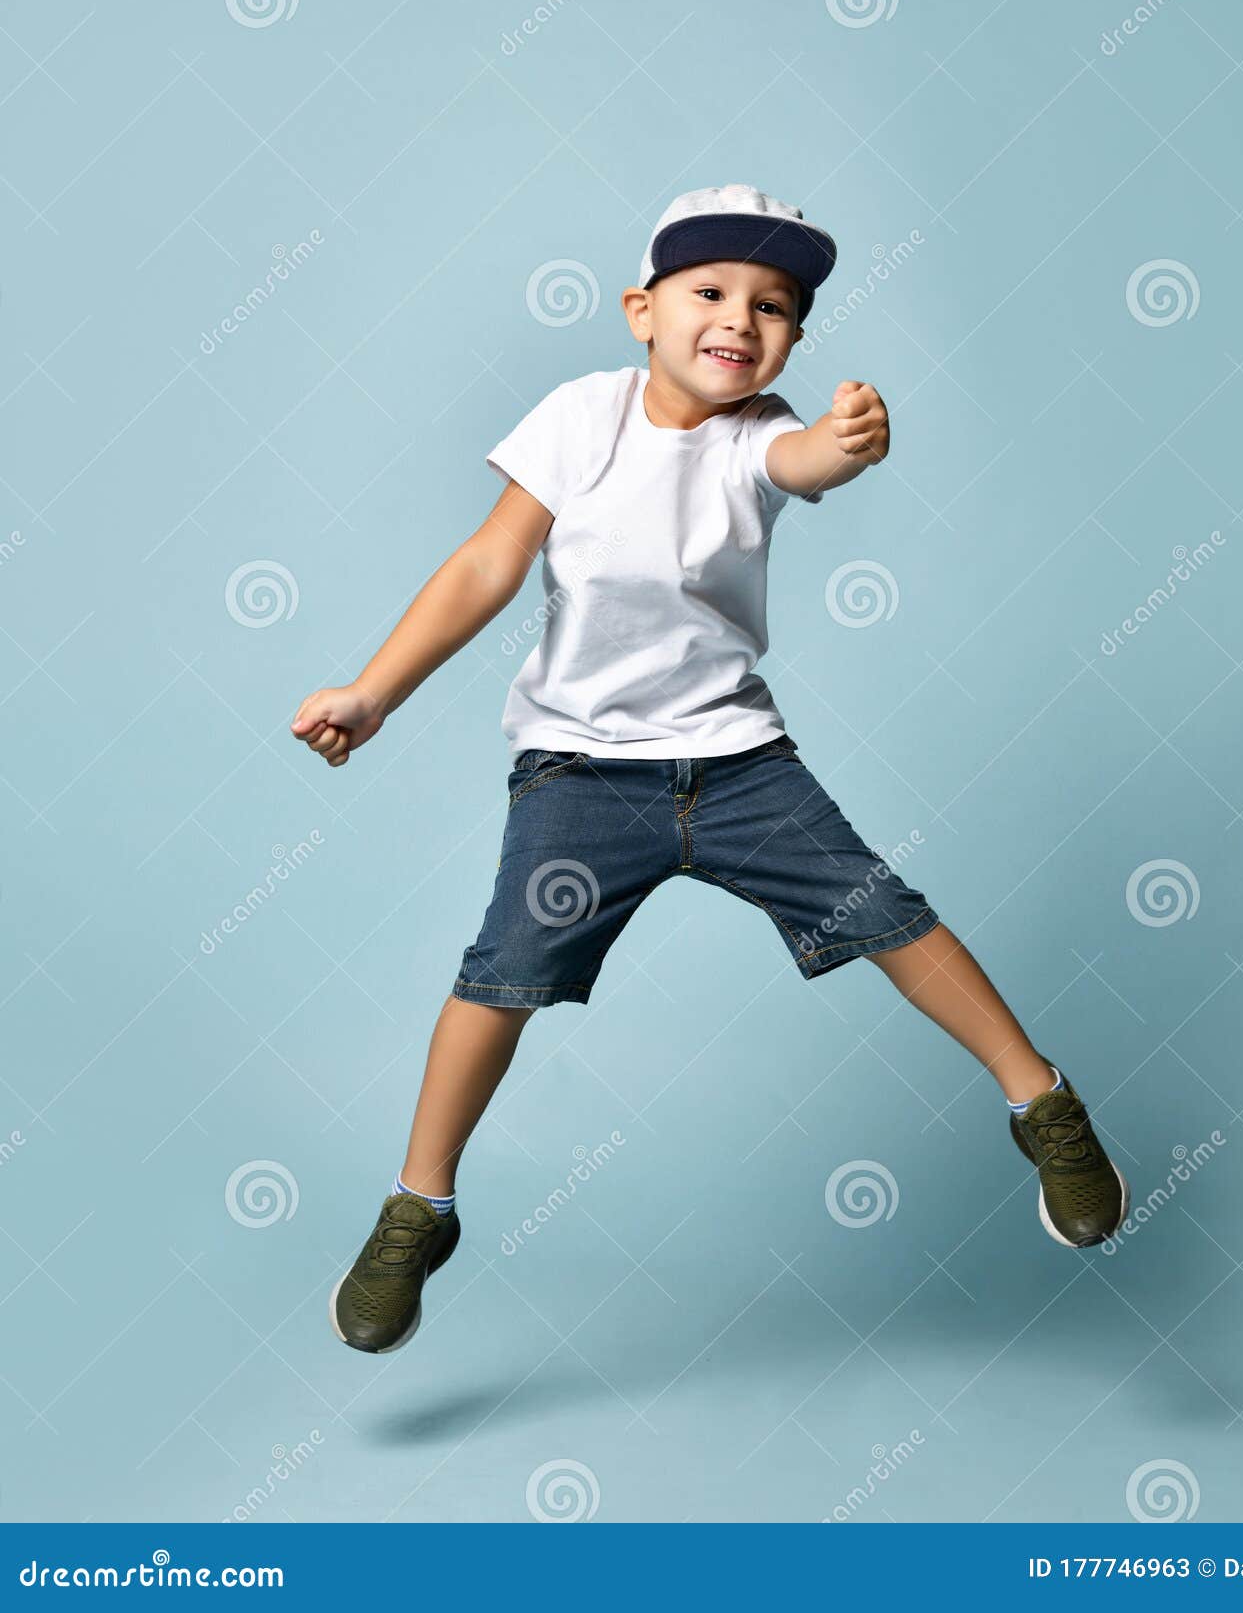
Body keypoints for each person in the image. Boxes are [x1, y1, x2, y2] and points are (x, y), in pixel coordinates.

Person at [292, 184, 1129, 1356]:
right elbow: (488, 562)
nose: (743, 318)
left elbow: (800, 461)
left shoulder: (759, 436)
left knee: (883, 910)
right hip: (582, 777)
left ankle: (1045, 1103)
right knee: (504, 973)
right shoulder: (582, 418)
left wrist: (843, 444)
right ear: (643, 308)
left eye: (776, 306)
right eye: (713, 291)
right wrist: (373, 691)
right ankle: (417, 1209)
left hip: (738, 769)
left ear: (791, 340)